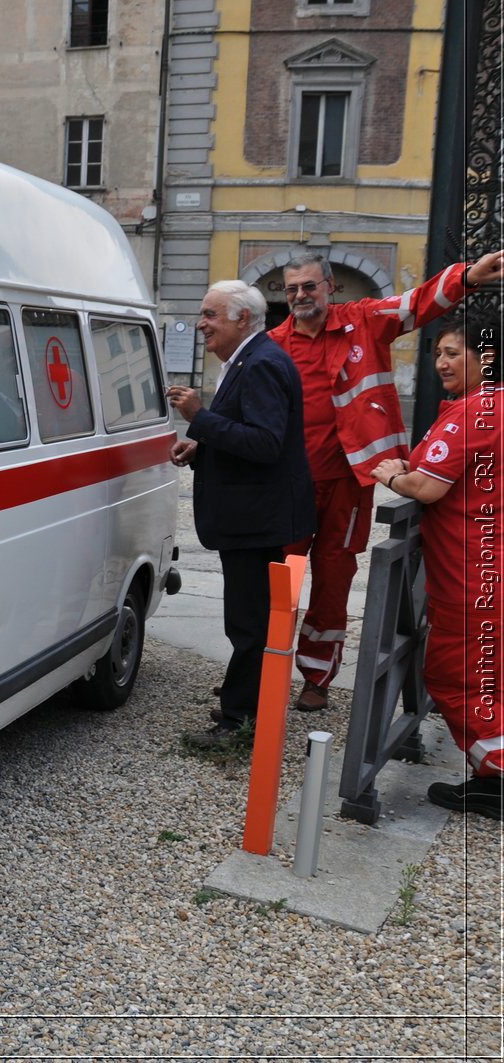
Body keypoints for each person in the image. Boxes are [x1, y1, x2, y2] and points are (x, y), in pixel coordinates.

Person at [269, 250, 504, 712]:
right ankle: (264, 669)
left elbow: (418, 303)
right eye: (292, 288)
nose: (300, 295)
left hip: (350, 482)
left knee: (334, 582)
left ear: (330, 287)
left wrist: (468, 277)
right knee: (281, 578)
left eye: (309, 286)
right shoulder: (274, 343)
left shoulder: (364, 320)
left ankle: (316, 675)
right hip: (291, 485)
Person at [169, 281, 316, 746]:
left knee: (249, 624)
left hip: (257, 522)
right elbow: (249, 433)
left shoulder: (261, 364)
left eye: (211, 315)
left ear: (243, 319)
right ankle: (243, 700)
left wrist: (200, 417)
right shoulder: (251, 359)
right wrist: (203, 446)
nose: (201, 324)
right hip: (252, 520)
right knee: (247, 620)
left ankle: (239, 723)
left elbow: (266, 443)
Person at [371, 316, 501, 819]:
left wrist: (390, 476)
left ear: (483, 359)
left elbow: (426, 486)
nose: (442, 363)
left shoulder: (469, 414)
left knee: (453, 678)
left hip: (470, 580)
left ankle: (498, 772)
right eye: (438, 354)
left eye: (453, 352)